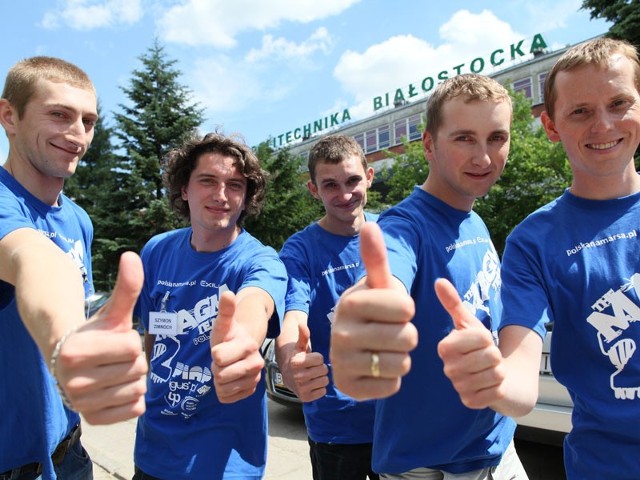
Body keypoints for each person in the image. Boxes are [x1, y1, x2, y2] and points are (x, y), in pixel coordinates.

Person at [435, 37, 640, 480]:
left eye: (619, 102)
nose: (603, 126)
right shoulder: (534, 241)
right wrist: (492, 379)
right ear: (551, 126)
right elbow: (521, 382)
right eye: (580, 111)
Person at [330, 74, 529, 479]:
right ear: (428, 144)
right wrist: (370, 315)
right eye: (464, 138)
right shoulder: (406, 226)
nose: (484, 157)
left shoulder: (474, 219)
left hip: (498, 448)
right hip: (429, 467)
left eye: (496, 138)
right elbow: (388, 277)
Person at [0, 57, 148, 479]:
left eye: (88, 120)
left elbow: (71, 292)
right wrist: (67, 342)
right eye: (59, 115)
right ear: (9, 115)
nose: (78, 134)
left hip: (70, 454)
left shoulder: (78, 219)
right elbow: (33, 260)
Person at [132, 132, 287, 479]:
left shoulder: (260, 261)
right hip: (151, 452)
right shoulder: (156, 251)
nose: (221, 195)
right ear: (184, 189)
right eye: (207, 181)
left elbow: (256, 304)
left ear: (247, 197)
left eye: (235, 185)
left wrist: (241, 345)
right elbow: (153, 334)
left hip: (223, 464)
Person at [276, 134, 379, 480]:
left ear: (369, 175)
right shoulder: (300, 250)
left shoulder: (394, 231)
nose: (345, 194)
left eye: (352, 180)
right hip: (338, 425)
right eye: (330, 185)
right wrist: (290, 361)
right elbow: (293, 315)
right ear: (313, 189)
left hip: (400, 417)